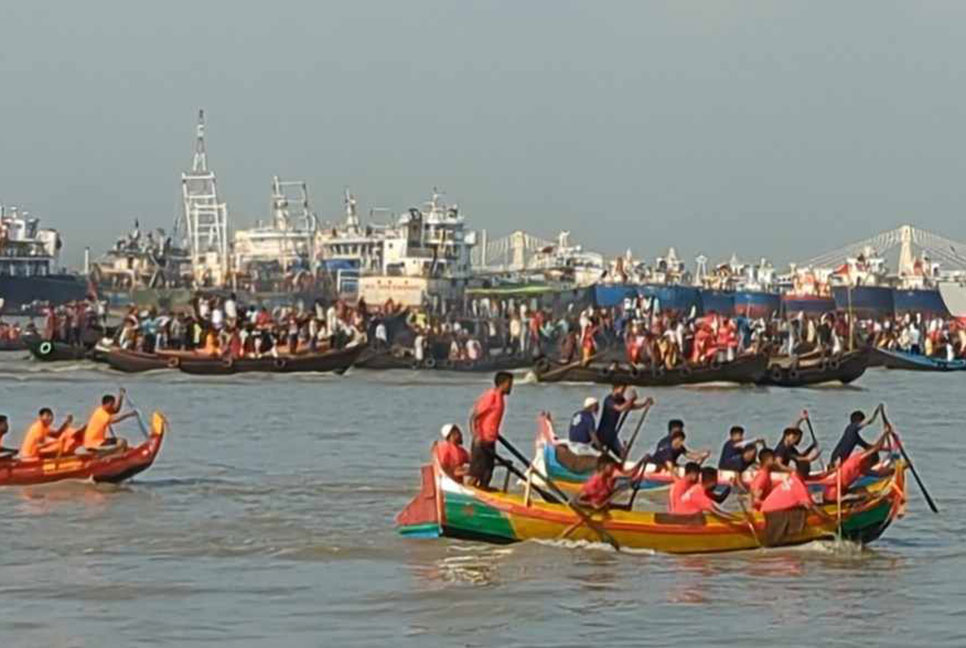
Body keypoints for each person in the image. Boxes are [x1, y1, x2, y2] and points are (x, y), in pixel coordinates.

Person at [822, 426, 895, 503]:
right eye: (870, 465)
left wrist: (896, 470)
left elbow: (879, 474)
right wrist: (885, 433)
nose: (869, 467)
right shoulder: (857, 460)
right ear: (868, 460)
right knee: (865, 498)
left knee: (863, 490)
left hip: (842, 491)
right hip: (833, 497)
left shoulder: (861, 468)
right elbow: (876, 448)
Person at [468, 372, 513, 489]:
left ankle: (483, 493)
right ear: (502, 384)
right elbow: (474, 417)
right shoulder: (491, 396)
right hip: (481, 441)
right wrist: (476, 436)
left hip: (490, 440)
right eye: (509, 384)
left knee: (488, 473)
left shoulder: (501, 398)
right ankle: (467, 494)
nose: (511, 387)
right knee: (477, 473)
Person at [760, 460, 832, 520]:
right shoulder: (799, 486)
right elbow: (812, 506)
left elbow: (813, 478)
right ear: (806, 473)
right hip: (771, 513)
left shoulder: (792, 476)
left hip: (765, 508)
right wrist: (828, 519)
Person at [596, 385, 652, 459]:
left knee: (622, 455)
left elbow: (630, 407)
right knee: (599, 454)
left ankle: (620, 465)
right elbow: (620, 408)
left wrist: (645, 404)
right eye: (621, 390)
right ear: (615, 389)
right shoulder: (609, 400)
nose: (622, 393)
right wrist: (631, 400)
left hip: (612, 434)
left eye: (624, 391)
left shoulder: (620, 399)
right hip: (603, 433)